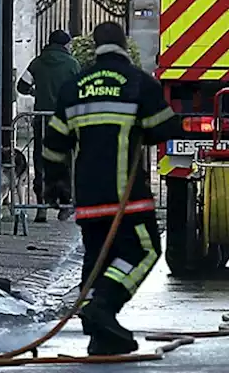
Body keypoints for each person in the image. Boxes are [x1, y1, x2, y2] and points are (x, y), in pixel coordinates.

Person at [41, 22, 180, 356]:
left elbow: (53, 145)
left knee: (96, 260)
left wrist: (55, 182)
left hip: (88, 199)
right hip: (126, 198)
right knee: (143, 252)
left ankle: (100, 333)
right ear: (123, 45)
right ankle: (103, 304)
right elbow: (166, 127)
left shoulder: (74, 87)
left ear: (95, 46)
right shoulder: (138, 84)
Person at [18, 29, 80, 223]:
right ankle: (64, 203)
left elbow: (21, 86)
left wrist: (36, 92)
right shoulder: (73, 65)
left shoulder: (38, 62)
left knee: (40, 161)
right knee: (65, 162)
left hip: (42, 120)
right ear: (65, 45)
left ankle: (41, 206)